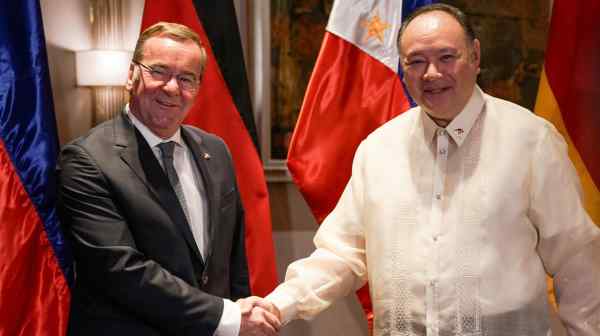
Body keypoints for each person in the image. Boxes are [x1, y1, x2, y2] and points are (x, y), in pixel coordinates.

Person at [246, 4, 600, 335]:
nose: (432, 74)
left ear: (475, 56)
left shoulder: (531, 141)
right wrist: (279, 305)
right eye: (416, 61)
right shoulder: (378, 149)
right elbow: (343, 253)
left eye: (447, 57)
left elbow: (577, 258)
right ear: (402, 66)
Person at [58, 22, 280, 336]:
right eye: (159, 71)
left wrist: (238, 318)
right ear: (132, 74)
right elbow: (120, 270)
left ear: (198, 88)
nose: (172, 88)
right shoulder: (86, 160)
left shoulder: (215, 151)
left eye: (186, 78)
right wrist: (227, 317)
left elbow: (232, 260)